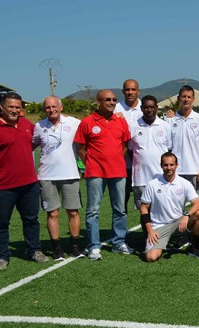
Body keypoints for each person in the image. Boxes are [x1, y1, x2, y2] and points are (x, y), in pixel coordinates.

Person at [0, 93, 49, 270]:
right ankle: (1, 256)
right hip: (2, 186)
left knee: (31, 219)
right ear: (2, 107)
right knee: (0, 223)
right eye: (11, 107)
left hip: (29, 184)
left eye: (17, 107)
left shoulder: (27, 125)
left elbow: (37, 141)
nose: (14, 110)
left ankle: (34, 250)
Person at [74, 89, 133, 260]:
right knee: (93, 210)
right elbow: (81, 148)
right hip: (95, 173)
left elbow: (124, 145)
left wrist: (113, 160)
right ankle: (93, 246)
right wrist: (92, 163)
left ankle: (119, 242)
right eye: (107, 99)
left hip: (118, 171)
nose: (112, 102)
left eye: (114, 99)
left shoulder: (121, 121)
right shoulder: (87, 122)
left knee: (120, 209)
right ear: (98, 101)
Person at [33, 96, 83, 260]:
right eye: (47, 107)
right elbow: (29, 146)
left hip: (70, 174)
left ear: (60, 107)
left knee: (73, 212)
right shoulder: (39, 126)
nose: (51, 109)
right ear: (44, 109)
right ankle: (57, 249)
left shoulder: (74, 123)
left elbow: (91, 127)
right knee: (52, 213)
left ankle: (75, 247)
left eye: (54, 106)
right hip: (47, 176)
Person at [140, 152, 199, 262]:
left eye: (171, 165)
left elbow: (198, 204)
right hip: (159, 226)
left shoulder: (184, 183)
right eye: (165, 165)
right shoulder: (152, 184)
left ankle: (194, 247)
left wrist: (186, 215)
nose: (169, 168)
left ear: (177, 165)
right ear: (161, 166)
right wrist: (150, 230)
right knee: (151, 258)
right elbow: (143, 207)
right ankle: (163, 242)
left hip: (179, 223)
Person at [128, 96, 172, 232]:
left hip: (161, 177)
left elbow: (169, 150)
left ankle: (163, 236)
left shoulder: (165, 126)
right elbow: (130, 150)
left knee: (161, 209)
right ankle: (147, 237)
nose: (149, 110)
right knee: (144, 210)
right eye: (146, 107)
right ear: (141, 109)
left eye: (152, 107)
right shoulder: (133, 126)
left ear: (157, 108)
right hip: (141, 178)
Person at [168, 85, 199, 195]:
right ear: (178, 98)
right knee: (175, 205)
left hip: (194, 170)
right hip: (176, 171)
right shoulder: (171, 120)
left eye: (189, 97)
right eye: (183, 96)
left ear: (193, 99)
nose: (186, 99)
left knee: (196, 205)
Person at [115, 79, 142, 210]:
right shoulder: (115, 109)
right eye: (127, 89)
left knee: (145, 201)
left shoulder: (146, 108)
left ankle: (149, 229)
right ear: (123, 91)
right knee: (121, 200)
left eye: (133, 89)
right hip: (122, 163)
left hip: (141, 164)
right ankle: (120, 230)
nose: (130, 92)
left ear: (138, 91)